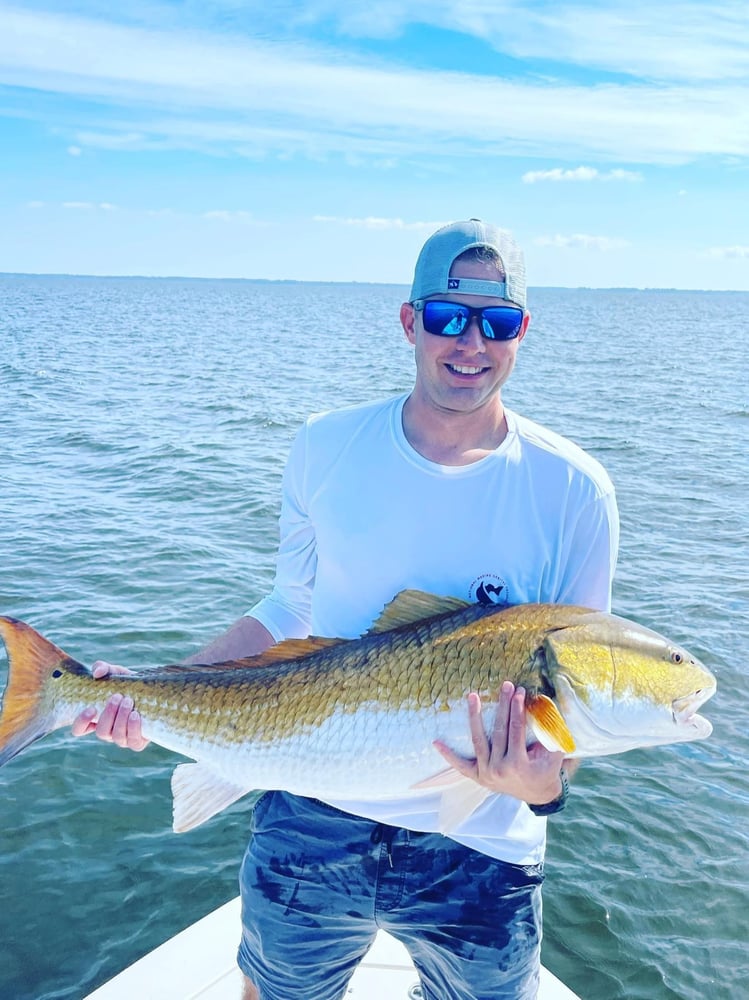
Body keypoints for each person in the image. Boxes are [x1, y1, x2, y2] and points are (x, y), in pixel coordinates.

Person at [73, 219, 619, 1000]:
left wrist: (538, 787)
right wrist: (156, 686)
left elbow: (570, 694)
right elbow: (288, 606)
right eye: (446, 317)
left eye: (496, 323)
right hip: (311, 810)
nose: (470, 343)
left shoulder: (575, 490)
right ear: (408, 322)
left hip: (481, 838)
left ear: (521, 331)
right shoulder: (324, 446)